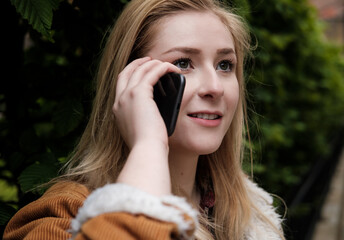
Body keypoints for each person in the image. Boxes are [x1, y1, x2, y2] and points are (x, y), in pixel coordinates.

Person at [3, 0, 285, 239]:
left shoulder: (251, 211)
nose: (215, 87)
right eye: (183, 63)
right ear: (131, 82)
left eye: (225, 65)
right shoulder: (62, 215)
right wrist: (149, 145)